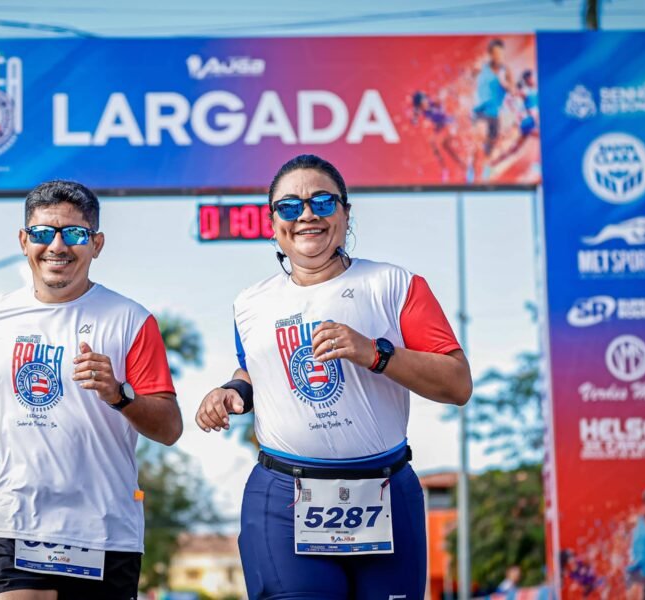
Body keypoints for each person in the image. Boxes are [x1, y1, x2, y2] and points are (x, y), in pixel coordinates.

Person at [195, 154, 472, 599]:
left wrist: (375, 353)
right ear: (272, 224)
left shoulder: (395, 284)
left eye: (322, 202)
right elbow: (256, 370)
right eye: (289, 206)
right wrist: (232, 391)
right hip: (284, 497)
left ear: (345, 213)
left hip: (385, 491)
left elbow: (458, 384)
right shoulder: (249, 304)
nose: (306, 214)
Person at [0, 179, 182, 600]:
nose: (57, 246)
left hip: (102, 527)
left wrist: (119, 394)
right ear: (24, 241)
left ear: (96, 244)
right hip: (9, 516)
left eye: (74, 234)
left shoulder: (131, 320)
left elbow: (169, 428)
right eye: (42, 234)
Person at [470, 38, 515, 181]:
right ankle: (472, 167)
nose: (498, 57)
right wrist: (474, 70)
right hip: (480, 111)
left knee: (489, 149)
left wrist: (504, 83)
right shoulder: (482, 67)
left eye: (501, 54)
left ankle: (484, 171)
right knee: (480, 137)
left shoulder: (505, 70)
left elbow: (513, 91)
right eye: (495, 53)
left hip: (495, 115)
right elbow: (471, 75)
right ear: (490, 54)